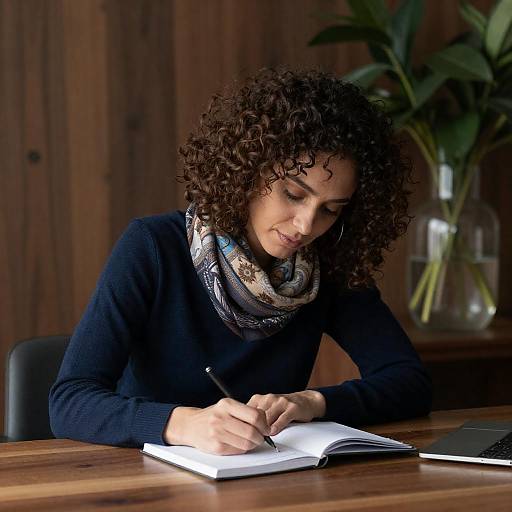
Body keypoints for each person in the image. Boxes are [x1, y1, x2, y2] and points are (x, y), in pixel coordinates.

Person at [49, 67, 432, 454]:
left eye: (331, 210)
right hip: (149, 478)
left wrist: (313, 402)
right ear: (251, 169)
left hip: (269, 476)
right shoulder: (153, 247)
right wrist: (183, 424)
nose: (306, 225)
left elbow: (409, 381)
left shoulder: (327, 266)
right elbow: (69, 401)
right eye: (294, 194)